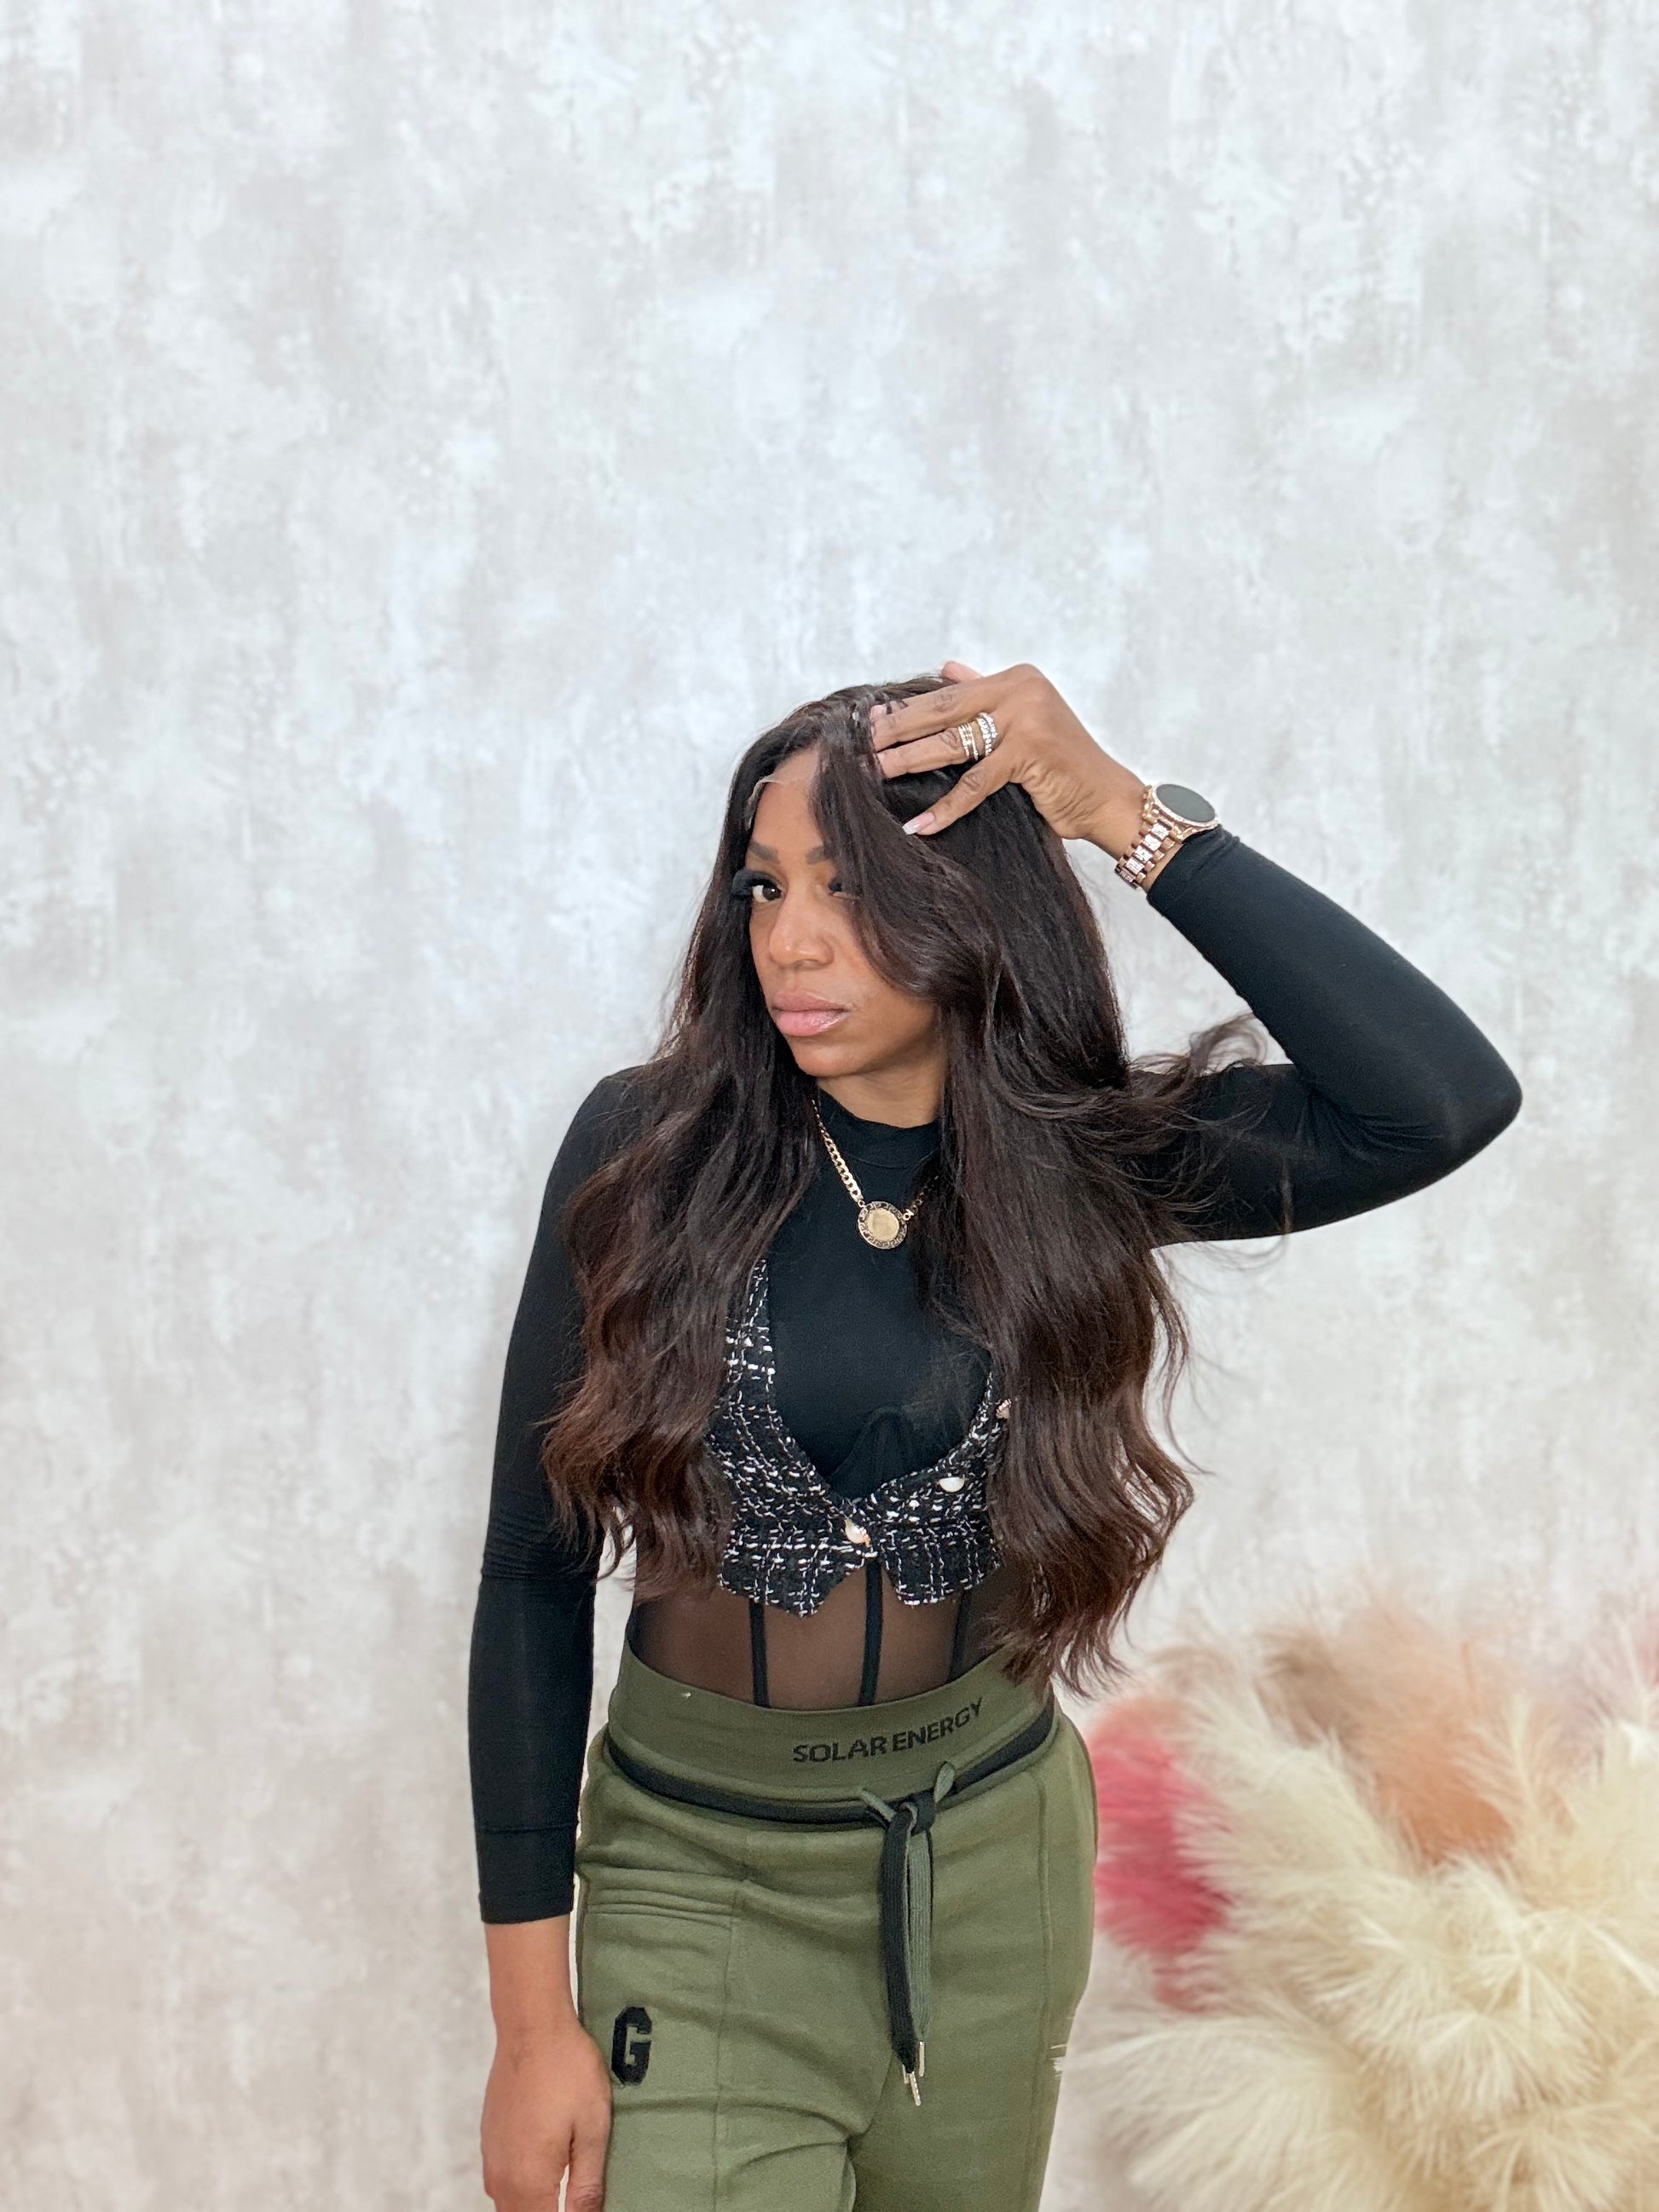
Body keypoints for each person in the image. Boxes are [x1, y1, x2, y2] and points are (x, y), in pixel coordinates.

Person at [468, 661, 1522, 2212]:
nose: (790, 939)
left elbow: (1436, 1104)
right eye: (764, 885)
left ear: (970, 906)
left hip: (988, 1868)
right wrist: (525, 2027)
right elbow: (530, 1573)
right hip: (698, 1883)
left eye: (849, 888)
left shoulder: (1077, 1163)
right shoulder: (648, 1147)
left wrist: (1117, 812)